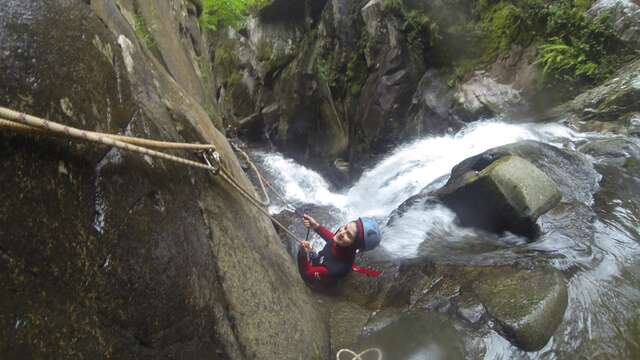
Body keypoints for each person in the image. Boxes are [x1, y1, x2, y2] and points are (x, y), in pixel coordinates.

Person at [297, 214, 382, 286]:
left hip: (319, 279)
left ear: (354, 245)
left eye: (348, 235)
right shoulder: (342, 245)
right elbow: (331, 239)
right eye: (345, 227)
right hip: (322, 262)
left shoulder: (335, 268)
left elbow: (306, 274)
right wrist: (316, 226)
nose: (341, 232)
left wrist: (302, 254)